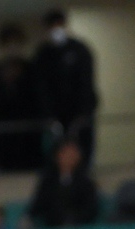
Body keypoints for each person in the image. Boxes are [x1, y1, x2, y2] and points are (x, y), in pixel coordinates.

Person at [31, 8, 100, 159]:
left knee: (83, 151)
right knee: (57, 153)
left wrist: (84, 112)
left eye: (59, 25)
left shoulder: (80, 50)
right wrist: (47, 115)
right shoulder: (43, 54)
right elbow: (40, 88)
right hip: (55, 115)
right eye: (52, 26)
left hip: (80, 114)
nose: (56, 29)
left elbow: (86, 83)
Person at [0, 24, 45, 173]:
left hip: (28, 132)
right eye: (8, 44)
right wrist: (4, 83)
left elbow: (38, 95)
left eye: (16, 43)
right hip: (4, 131)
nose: (12, 47)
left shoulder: (31, 68)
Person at [27, 140, 101, 229]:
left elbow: (90, 208)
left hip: (78, 228)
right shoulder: (48, 181)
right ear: (57, 156)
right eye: (66, 153)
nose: (70, 157)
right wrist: (28, 218)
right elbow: (38, 203)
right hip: (52, 228)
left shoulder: (86, 182)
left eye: (73, 154)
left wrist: (73, 221)